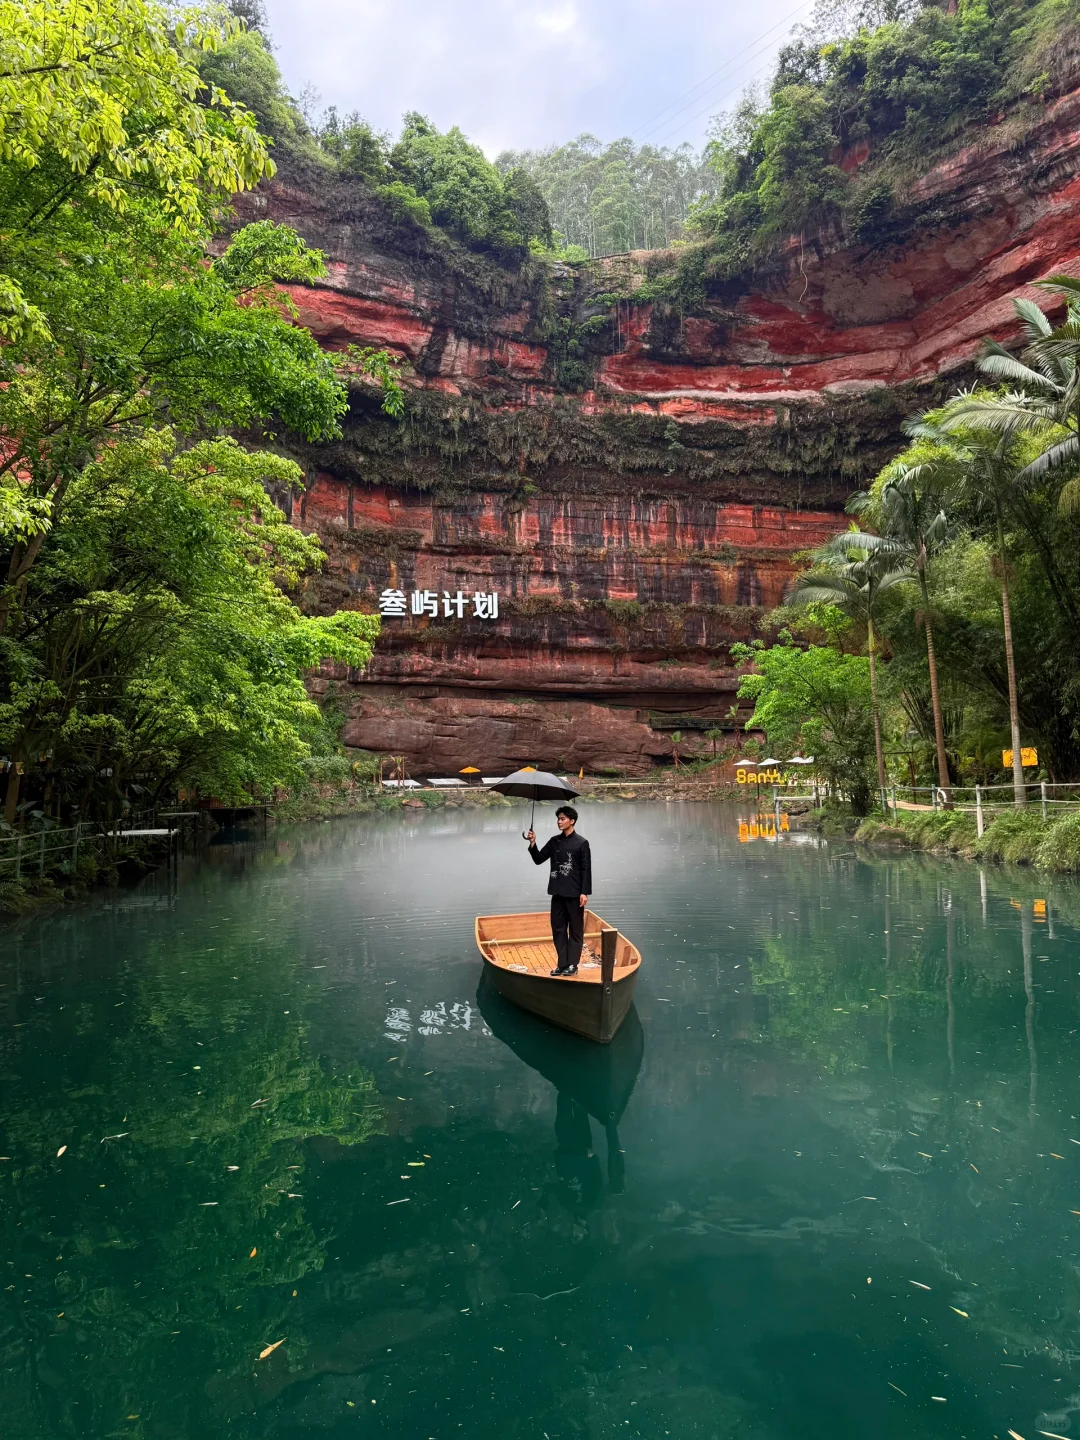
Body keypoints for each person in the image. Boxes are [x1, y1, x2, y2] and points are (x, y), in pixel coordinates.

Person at [526, 805, 592, 977]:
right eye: (558, 819)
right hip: (557, 893)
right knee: (558, 930)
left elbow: (586, 869)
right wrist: (533, 843)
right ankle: (562, 964)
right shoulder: (554, 841)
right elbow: (539, 859)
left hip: (575, 893)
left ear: (572, 821)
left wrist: (584, 892)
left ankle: (573, 965)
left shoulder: (581, 843)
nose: (559, 822)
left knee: (575, 931)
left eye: (563, 819)